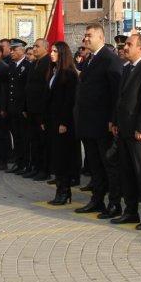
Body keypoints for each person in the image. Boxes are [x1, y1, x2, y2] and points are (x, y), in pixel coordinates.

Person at [74, 24, 124, 218]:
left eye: (89, 35)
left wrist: (113, 120)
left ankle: (114, 204)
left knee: (108, 165)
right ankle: (97, 200)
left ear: (101, 37)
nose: (85, 39)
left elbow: (116, 93)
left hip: (103, 123)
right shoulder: (91, 59)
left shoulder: (110, 59)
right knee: (95, 165)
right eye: (85, 35)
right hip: (89, 122)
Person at [112, 34, 141, 230]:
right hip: (124, 129)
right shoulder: (127, 68)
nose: (125, 48)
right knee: (127, 172)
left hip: (139, 132)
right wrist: (115, 121)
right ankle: (130, 211)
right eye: (125, 45)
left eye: (129, 44)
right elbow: (121, 98)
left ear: (140, 48)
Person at [45, 41, 80, 205]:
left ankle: (64, 191)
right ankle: (61, 189)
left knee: (63, 157)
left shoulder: (69, 74)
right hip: (53, 119)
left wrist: (64, 122)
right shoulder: (53, 72)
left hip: (63, 122)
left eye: (54, 51)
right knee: (56, 156)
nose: (51, 54)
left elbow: (69, 100)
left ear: (62, 54)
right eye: (51, 51)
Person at [23, 39, 51, 181]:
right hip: (31, 109)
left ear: (46, 48)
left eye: (37, 46)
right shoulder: (34, 63)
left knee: (42, 141)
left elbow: (46, 89)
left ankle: (44, 169)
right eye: (33, 46)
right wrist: (26, 107)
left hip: (42, 109)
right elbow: (28, 86)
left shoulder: (48, 63)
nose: (34, 48)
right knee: (33, 140)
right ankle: (35, 166)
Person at [7, 40, 32, 174]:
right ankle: (19, 162)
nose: (11, 52)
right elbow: (9, 88)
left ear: (22, 51)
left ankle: (26, 163)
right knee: (16, 137)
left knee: (24, 138)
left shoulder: (27, 66)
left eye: (14, 49)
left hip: (22, 109)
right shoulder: (11, 66)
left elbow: (27, 90)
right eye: (11, 50)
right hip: (12, 108)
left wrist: (25, 108)